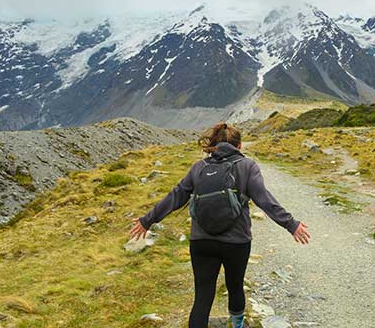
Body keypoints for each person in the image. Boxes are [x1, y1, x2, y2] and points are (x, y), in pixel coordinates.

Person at [129, 122, 310, 328]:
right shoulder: (247, 166)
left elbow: (176, 196)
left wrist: (147, 220)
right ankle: (237, 325)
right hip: (237, 242)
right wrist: (291, 224)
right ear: (239, 146)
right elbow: (265, 200)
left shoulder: (199, 168)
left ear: (213, 146)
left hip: (201, 241)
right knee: (235, 287)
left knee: (203, 297)